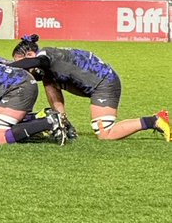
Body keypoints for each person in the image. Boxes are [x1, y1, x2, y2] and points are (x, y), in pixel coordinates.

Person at [12, 34, 170, 143]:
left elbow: (36, 64)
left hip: (104, 84)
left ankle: (155, 120)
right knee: (49, 80)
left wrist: (4, 67)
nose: (22, 69)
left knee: (105, 133)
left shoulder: (44, 57)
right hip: (95, 81)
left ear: (31, 54)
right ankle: (62, 120)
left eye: (21, 63)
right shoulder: (47, 56)